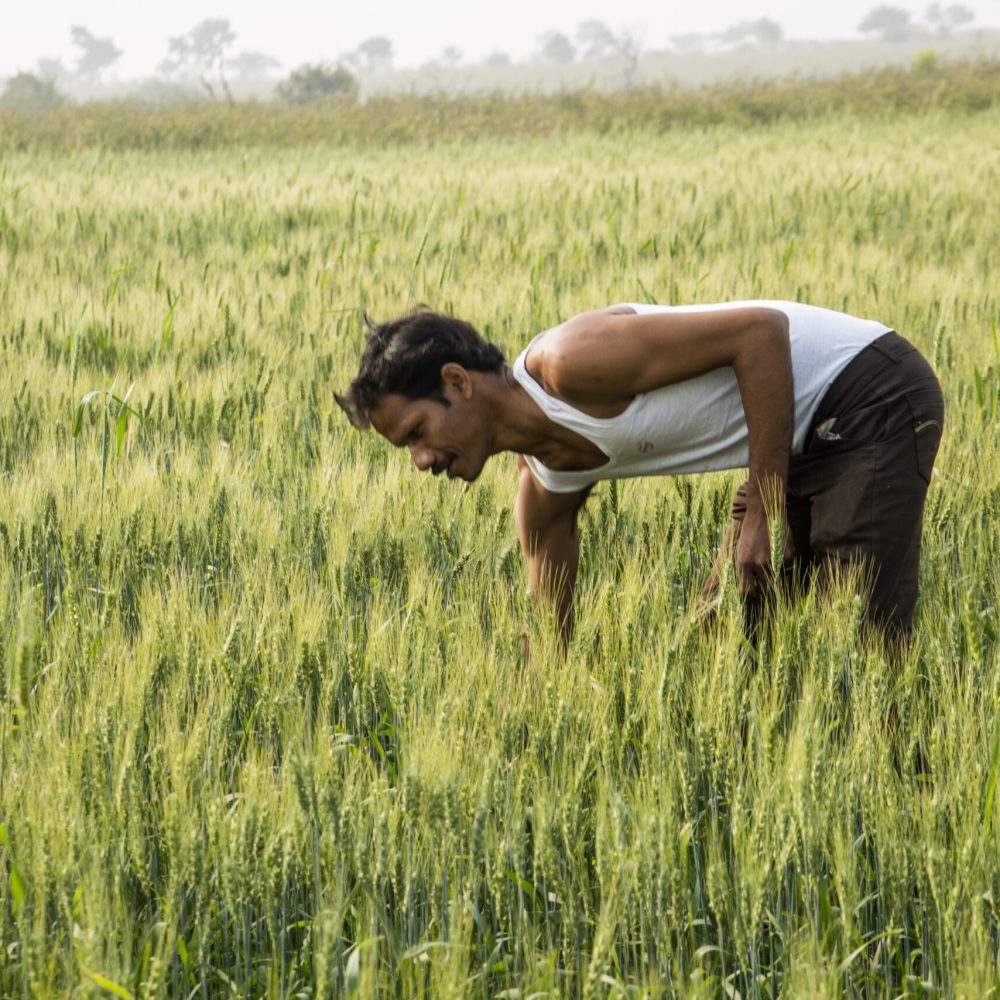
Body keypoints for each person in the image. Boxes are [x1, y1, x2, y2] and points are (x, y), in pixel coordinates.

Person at [336, 302, 944, 645]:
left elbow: (760, 333)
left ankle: (919, 807)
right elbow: (550, 641)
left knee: (870, 646)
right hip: (796, 437)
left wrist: (764, 506)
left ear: (456, 382)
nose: (420, 462)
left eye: (416, 433)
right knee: (722, 641)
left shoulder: (570, 363)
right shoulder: (545, 489)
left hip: (870, 391)